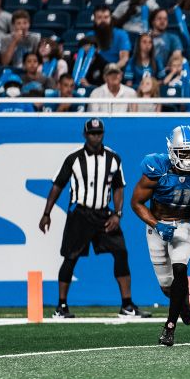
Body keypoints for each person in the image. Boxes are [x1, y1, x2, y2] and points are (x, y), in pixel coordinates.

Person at [37, 118, 146, 319]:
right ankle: (61, 306)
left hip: (104, 214)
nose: (96, 136)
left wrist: (118, 213)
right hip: (81, 213)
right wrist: (46, 213)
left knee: (121, 252)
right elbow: (58, 185)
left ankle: (127, 305)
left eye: (99, 133)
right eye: (92, 133)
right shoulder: (74, 159)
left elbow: (119, 187)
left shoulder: (113, 159)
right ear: (85, 135)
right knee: (70, 257)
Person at [131, 125, 190, 346]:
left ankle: (169, 328)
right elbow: (136, 202)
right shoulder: (158, 168)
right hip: (157, 227)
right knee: (167, 286)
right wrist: (156, 224)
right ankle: (183, 302)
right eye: (184, 153)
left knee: (180, 270)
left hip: (184, 225)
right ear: (172, 150)